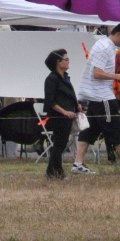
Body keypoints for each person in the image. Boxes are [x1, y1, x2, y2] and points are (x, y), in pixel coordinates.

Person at [74, 23, 120, 175]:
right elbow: (97, 73)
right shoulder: (105, 47)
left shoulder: (106, 45)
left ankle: (78, 163)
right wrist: (119, 77)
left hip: (97, 96)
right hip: (102, 96)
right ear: (118, 34)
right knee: (115, 129)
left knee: (89, 130)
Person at [42, 49, 79, 180]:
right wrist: (64, 112)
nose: (68, 62)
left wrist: (76, 106)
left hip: (68, 115)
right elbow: (50, 101)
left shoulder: (65, 78)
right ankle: (57, 172)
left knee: (61, 144)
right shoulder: (51, 79)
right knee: (59, 144)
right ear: (58, 62)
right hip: (59, 117)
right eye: (66, 59)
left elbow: (69, 95)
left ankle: (51, 172)